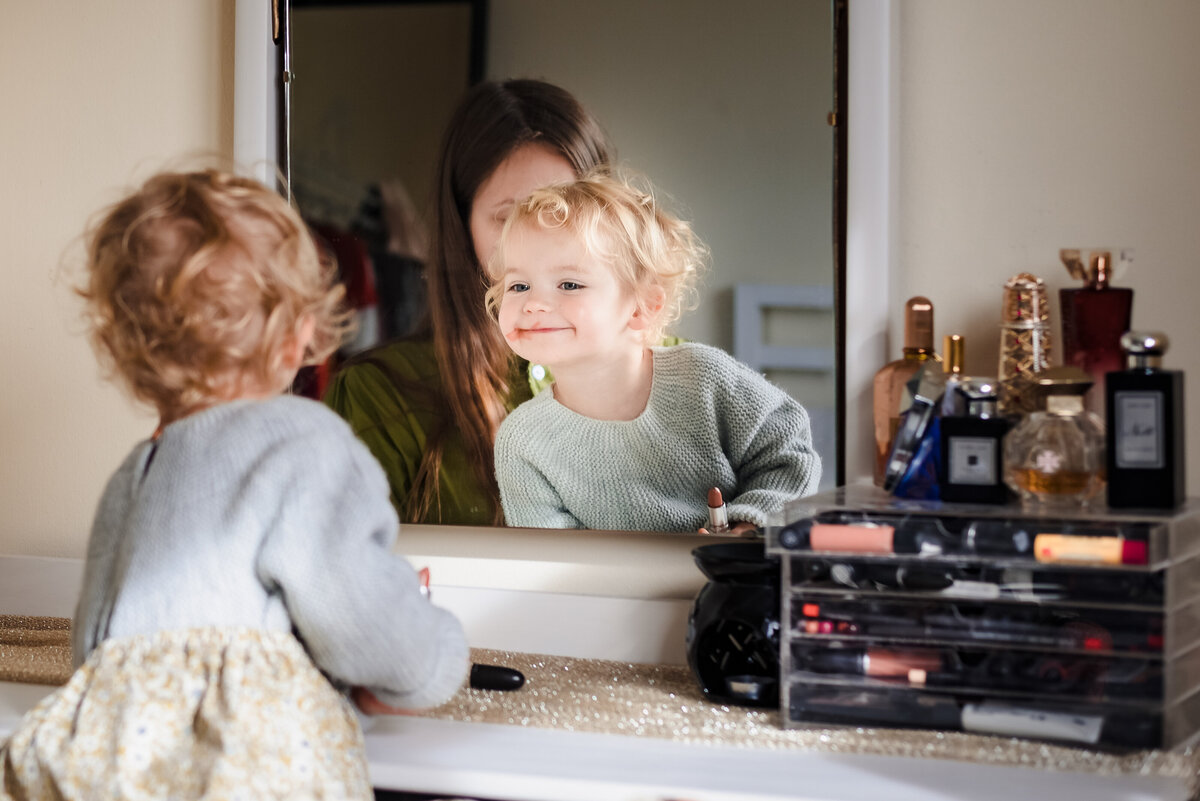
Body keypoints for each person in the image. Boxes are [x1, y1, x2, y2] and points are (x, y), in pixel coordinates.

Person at [0, 170, 469, 800]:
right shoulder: (302, 443)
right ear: (296, 333)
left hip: (106, 765)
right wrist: (431, 663)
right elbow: (365, 622)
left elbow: (97, 651)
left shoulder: (136, 472)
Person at [323, 78, 613, 526]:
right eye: (508, 217)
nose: (538, 242)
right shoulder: (376, 395)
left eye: (563, 212)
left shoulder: (678, 371)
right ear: (463, 227)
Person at [486, 172, 821, 532]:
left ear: (641, 307)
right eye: (518, 285)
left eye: (569, 284)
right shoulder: (521, 442)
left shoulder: (703, 378)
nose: (533, 303)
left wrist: (749, 524)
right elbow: (558, 568)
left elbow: (789, 455)